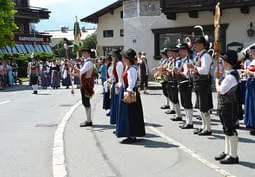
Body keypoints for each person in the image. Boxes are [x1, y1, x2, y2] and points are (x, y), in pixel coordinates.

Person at [116, 48, 146, 144]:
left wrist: (128, 93)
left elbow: (131, 82)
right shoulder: (128, 68)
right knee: (129, 114)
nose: (123, 59)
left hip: (130, 92)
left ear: (128, 59)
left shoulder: (132, 69)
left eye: (124, 58)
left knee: (131, 114)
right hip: (127, 91)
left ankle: (132, 135)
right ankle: (130, 134)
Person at [215, 50, 239, 164]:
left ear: (228, 62)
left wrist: (216, 82)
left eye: (223, 60)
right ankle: (227, 151)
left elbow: (221, 90)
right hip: (225, 105)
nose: (221, 62)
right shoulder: (228, 74)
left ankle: (233, 155)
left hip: (229, 105)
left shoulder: (230, 77)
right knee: (226, 128)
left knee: (230, 129)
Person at [188, 37, 213, 136]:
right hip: (198, 82)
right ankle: (204, 126)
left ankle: (209, 128)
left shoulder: (205, 56)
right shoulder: (199, 55)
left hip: (203, 83)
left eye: (197, 44)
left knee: (204, 107)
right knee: (200, 106)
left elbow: (204, 71)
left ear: (202, 45)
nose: (195, 46)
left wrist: (193, 67)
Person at [72, 49, 95, 127]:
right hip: (85, 83)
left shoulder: (88, 63)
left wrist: (72, 67)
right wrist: (73, 73)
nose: (83, 54)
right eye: (83, 53)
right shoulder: (87, 62)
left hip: (86, 84)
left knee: (86, 102)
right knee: (85, 102)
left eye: (85, 53)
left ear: (88, 54)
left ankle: (89, 120)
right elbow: (81, 73)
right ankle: (88, 119)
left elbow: (81, 71)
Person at [174, 43, 194, 128]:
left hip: (186, 83)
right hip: (182, 83)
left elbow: (187, 74)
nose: (179, 52)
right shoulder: (183, 61)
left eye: (181, 50)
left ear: (186, 51)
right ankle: (187, 121)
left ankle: (190, 122)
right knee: (184, 102)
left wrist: (178, 72)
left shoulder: (188, 61)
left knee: (187, 102)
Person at [110, 49, 124, 125]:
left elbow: (120, 77)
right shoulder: (115, 64)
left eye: (112, 56)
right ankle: (116, 123)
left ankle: (118, 123)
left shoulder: (119, 64)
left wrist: (118, 87)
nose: (111, 57)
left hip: (117, 85)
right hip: (115, 84)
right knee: (114, 104)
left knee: (117, 105)